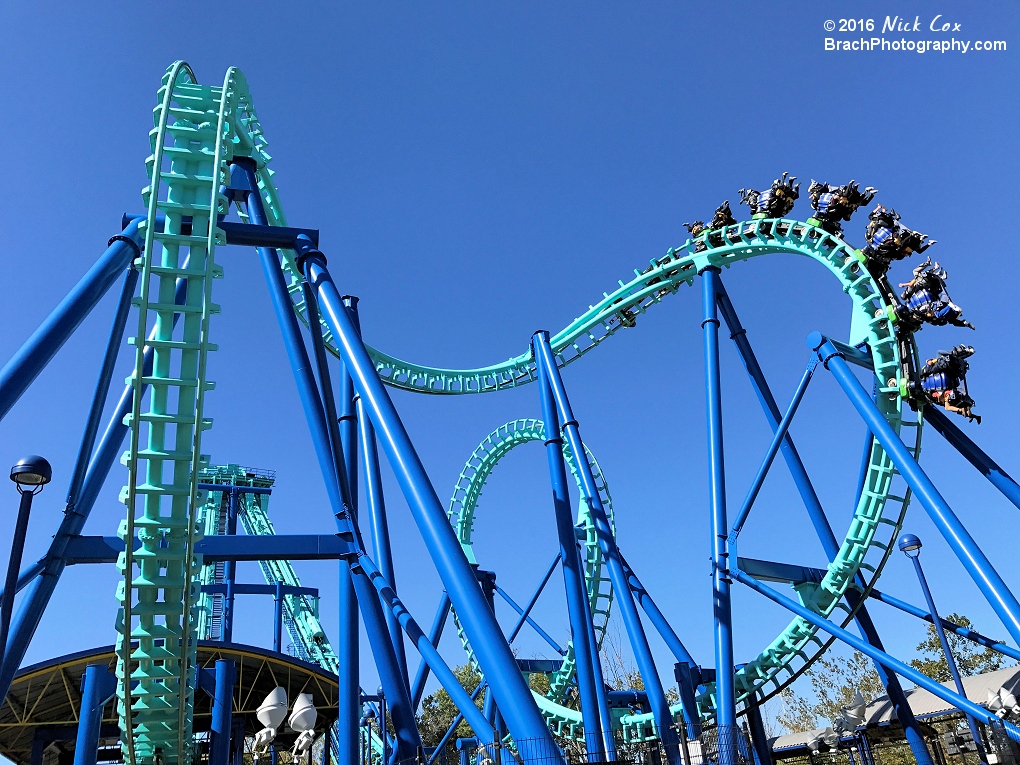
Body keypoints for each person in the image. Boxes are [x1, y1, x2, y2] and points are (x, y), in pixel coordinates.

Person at [897, 257, 974, 330]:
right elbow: (953, 322)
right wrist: (965, 324)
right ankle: (936, 272)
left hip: (926, 298)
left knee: (933, 312)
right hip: (928, 298)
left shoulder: (915, 307)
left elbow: (912, 286)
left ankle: (935, 271)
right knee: (935, 312)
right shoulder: (938, 318)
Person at [918, 344, 980, 423]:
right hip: (947, 376)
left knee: (941, 356)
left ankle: (957, 354)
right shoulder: (944, 395)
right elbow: (948, 407)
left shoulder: (935, 394)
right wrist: (964, 412)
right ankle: (957, 354)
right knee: (941, 356)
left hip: (945, 375)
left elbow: (947, 407)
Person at [807, 179, 877, 236]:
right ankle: (861, 189)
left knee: (855, 201)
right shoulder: (841, 204)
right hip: (828, 212)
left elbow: (862, 202)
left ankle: (864, 190)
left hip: (831, 213)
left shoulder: (844, 206)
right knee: (852, 200)